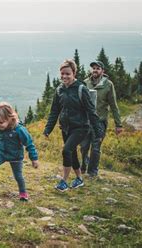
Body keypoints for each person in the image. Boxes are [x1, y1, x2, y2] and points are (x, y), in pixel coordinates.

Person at [43, 59, 102, 192]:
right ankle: (79, 179)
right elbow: (54, 111)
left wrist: (98, 132)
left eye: (68, 74)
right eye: (62, 73)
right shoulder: (59, 90)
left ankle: (64, 181)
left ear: (74, 73)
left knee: (66, 150)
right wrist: (48, 129)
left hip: (81, 127)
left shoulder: (81, 89)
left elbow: (91, 111)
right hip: (65, 128)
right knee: (72, 153)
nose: (64, 76)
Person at [0, 102, 39, 201]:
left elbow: (29, 143)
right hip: (2, 153)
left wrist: (34, 158)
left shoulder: (19, 130)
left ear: (10, 119)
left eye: (1, 122)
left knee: (18, 176)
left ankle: (23, 193)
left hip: (16, 156)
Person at [80, 61, 123, 177]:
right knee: (83, 146)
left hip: (100, 122)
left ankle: (92, 172)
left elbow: (113, 105)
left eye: (97, 68)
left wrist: (118, 124)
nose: (95, 70)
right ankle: (84, 164)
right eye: (93, 68)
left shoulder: (108, 85)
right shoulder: (85, 83)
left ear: (102, 71)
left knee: (95, 147)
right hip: (86, 121)